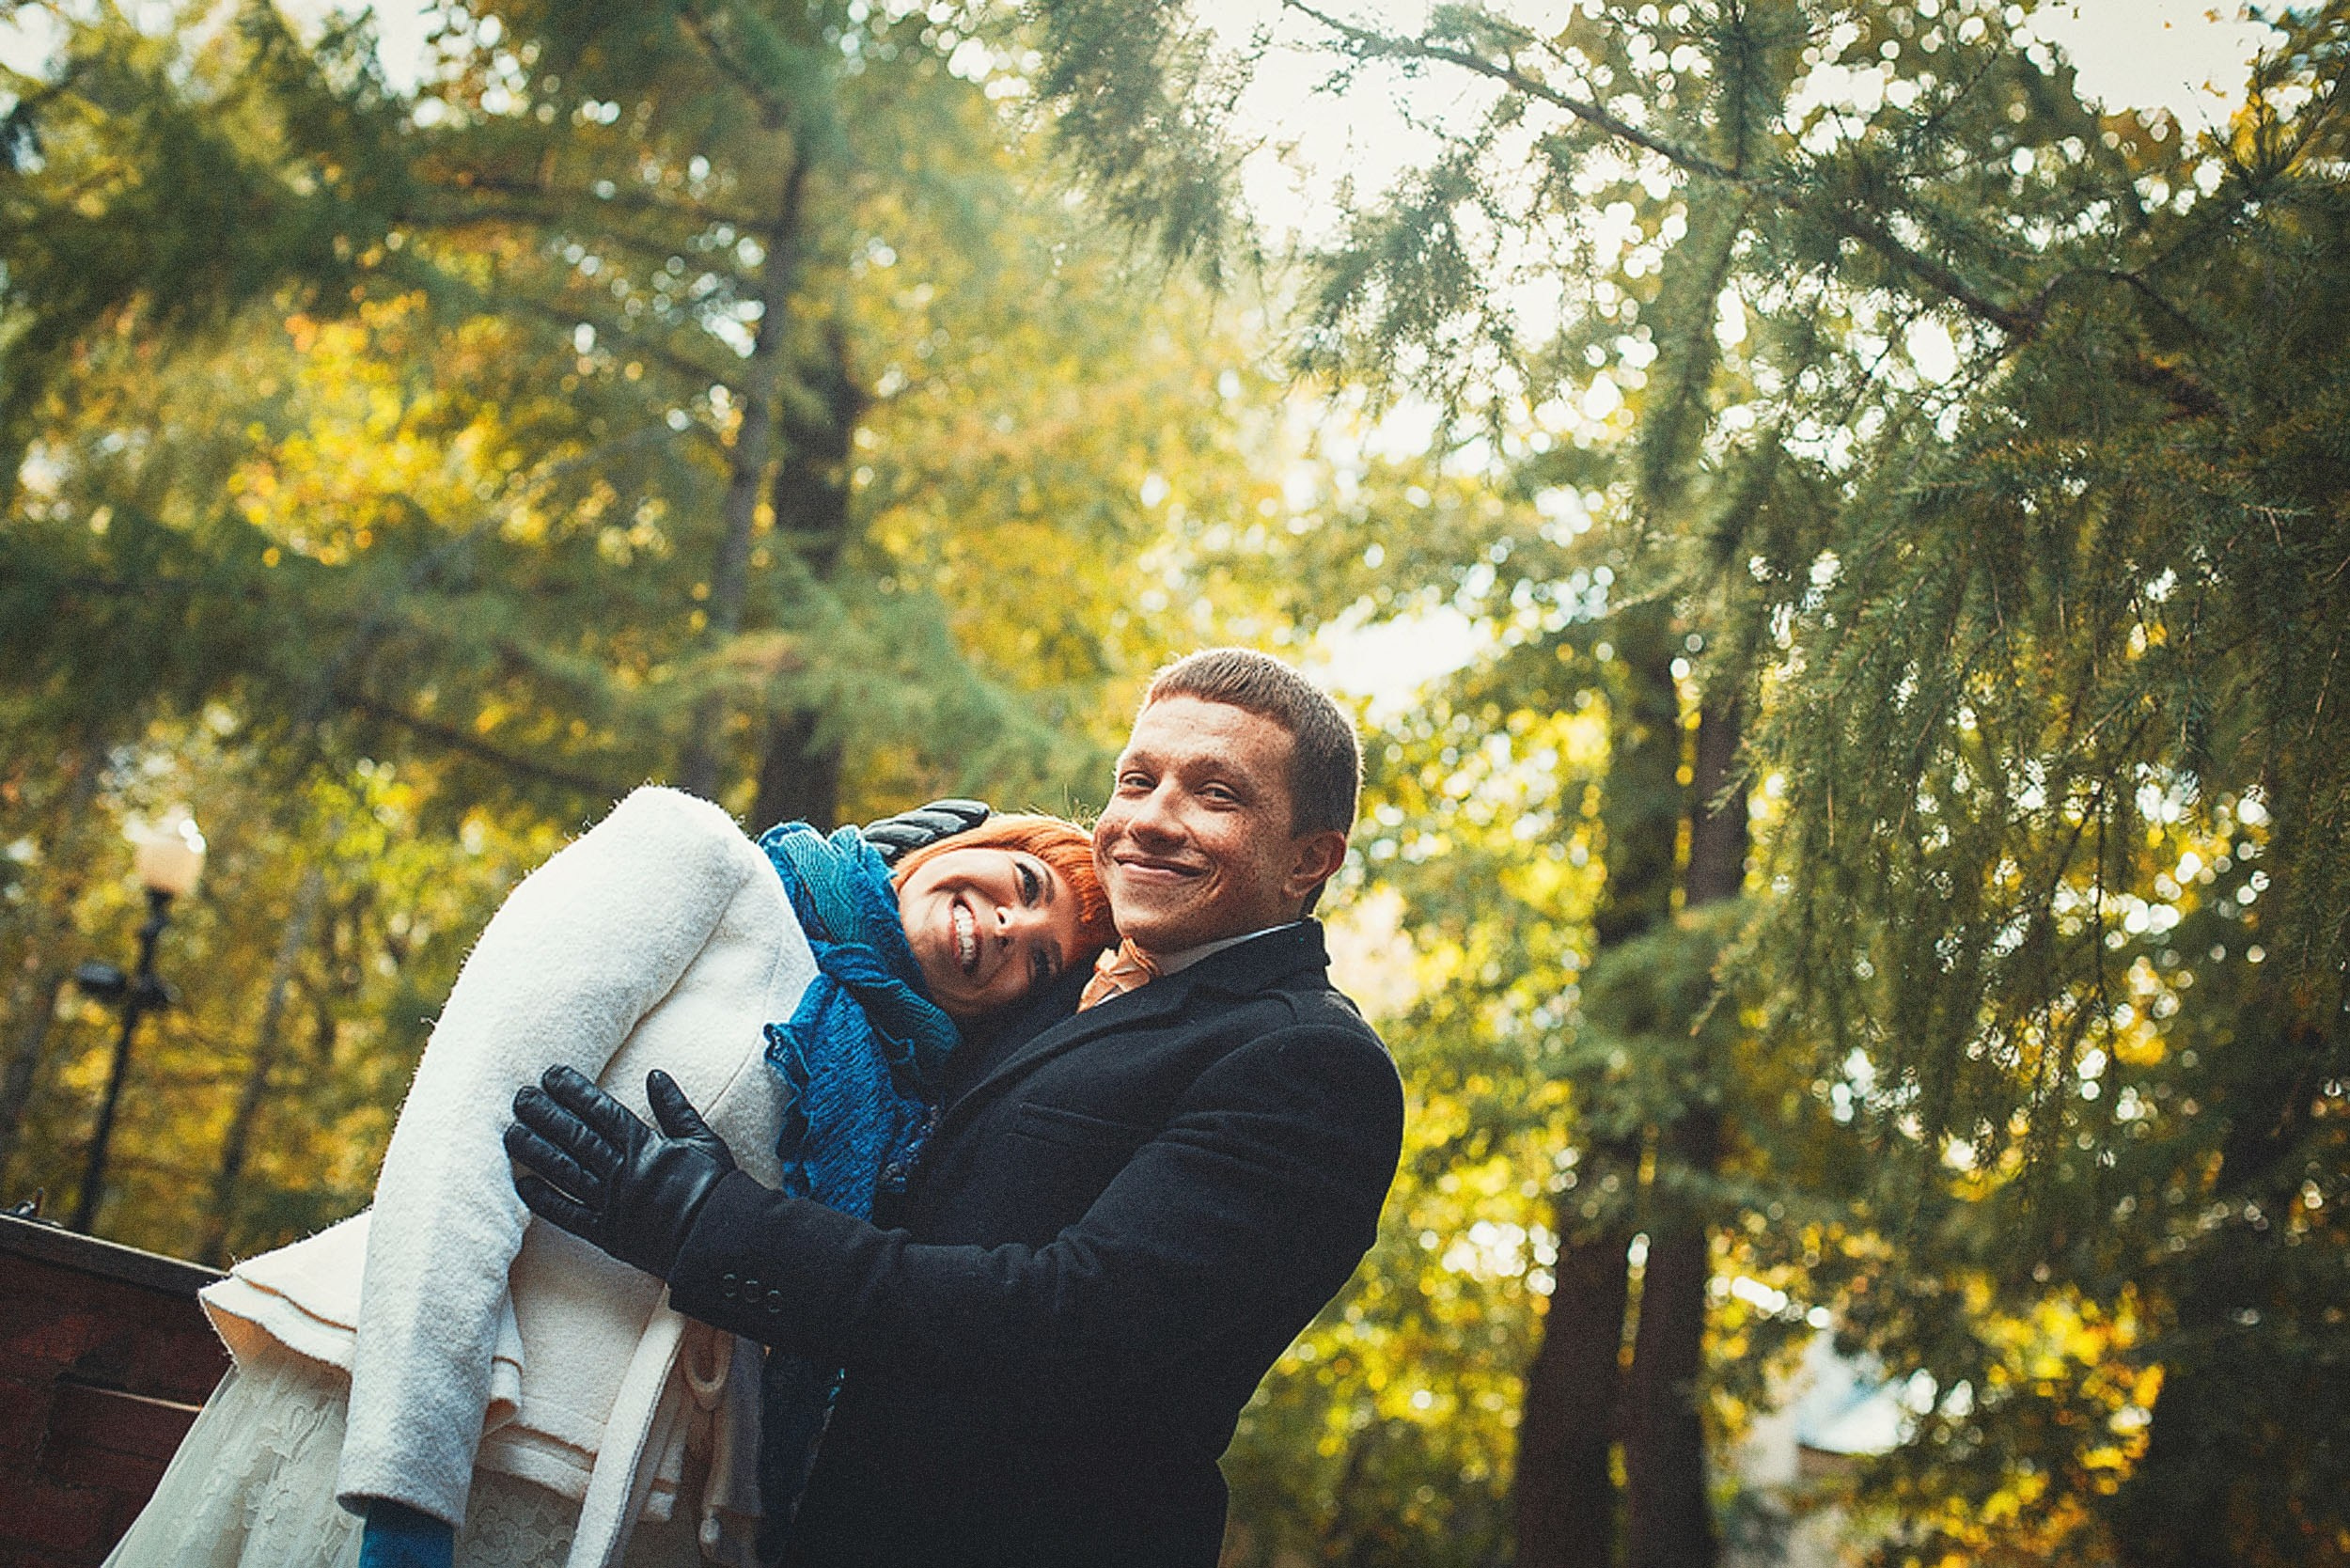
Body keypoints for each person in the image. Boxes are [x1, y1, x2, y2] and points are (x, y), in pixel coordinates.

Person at [509, 649, 1409, 1566]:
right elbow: (888, 1038)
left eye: (1215, 795)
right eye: (1137, 781)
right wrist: (867, 883)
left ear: (1310, 858)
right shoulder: (1066, 987)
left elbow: (1064, 1327)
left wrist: (709, 1224)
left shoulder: (1312, 1064)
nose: (1148, 820)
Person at [102, 788, 1115, 1568]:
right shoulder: (705, 862)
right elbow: (463, 1129)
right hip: (433, 1450)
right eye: (1028, 885)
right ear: (971, 841)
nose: (1011, 929)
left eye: (1042, 962)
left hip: (649, 1519)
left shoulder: (910, 1118)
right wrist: (408, 1495)